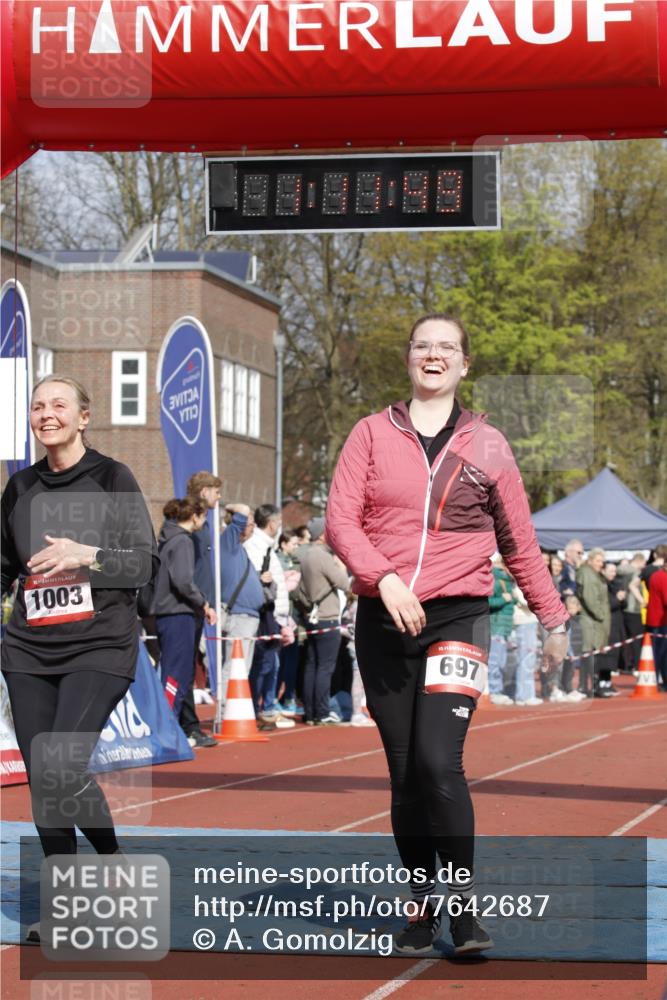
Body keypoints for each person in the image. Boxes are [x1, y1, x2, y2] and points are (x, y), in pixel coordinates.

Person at [326, 313, 569, 956]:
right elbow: (340, 523)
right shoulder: (371, 433)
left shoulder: (489, 445)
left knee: (439, 762)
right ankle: (420, 907)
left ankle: (462, 910)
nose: (433, 356)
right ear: (408, 359)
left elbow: (519, 541)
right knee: (405, 774)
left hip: (458, 617)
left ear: (464, 365)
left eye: (447, 348)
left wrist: (553, 619)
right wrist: (383, 580)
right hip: (384, 617)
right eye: (422, 347)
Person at [1, 376, 158, 909]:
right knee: (44, 778)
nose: (47, 414)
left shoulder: (114, 477)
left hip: (99, 645)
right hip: (27, 648)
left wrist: (85, 554)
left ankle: (110, 860)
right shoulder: (19, 487)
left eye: (59, 405)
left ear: (84, 417)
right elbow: (3, 568)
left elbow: (143, 563)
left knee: (60, 766)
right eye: (38, 405)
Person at [153, 498, 217, 727]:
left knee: (174, 673)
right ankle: (167, 728)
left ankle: (169, 725)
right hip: (177, 613)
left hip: (169, 612)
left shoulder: (169, 538)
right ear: (194, 516)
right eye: (204, 516)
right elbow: (182, 581)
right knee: (175, 675)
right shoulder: (182, 541)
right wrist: (203, 603)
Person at [177, 471, 221, 748]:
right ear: (204, 491)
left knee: (187, 666)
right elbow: (184, 573)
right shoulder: (191, 528)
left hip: (196, 605)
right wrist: (201, 601)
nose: (219, 497)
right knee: (181, 667)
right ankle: (187, 725)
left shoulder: (204, 527)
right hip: (187, 606)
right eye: (216, 491)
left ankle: (187, 724)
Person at [244, 504, 295, 728]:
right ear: (272, 523)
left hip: (274, 613)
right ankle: (258, 709)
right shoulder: (256, 547)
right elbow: (258, 579)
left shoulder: (268, 548)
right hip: (265, 612)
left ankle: (265, 707)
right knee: (263, 665)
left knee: (271, 665)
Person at [297, 517, 349, 725]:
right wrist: (341, 564)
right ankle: (322, 711)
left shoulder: (306, 555)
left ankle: (310, 712)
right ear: (321, 535)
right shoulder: (323, 557)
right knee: (325, 667)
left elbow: (300, 591)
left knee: (311, 665)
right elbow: (344, 582)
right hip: (327, 616)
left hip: (312, 616)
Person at [218, 503, 264, 714]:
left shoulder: (239, 550)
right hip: (239, 615)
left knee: (242, 666)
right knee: (235, 666)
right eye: (251, 523)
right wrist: (230, 507)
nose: (253, 526)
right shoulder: (229, 542)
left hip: (248, 616)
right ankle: (225, 708)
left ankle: (233, 709)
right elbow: (243, 510)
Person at [576, 548, 611, 698]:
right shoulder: (587, 573)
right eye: (598, 560)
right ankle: (586, 686)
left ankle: (591, 685)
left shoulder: (594, 574)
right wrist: (600, 614)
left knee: (593, 654)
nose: (600, 564)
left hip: (596, 621)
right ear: (590, 560)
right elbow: (589, 597)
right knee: (588, 654)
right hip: (591, 620)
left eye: (602, 561)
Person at [487, 557, 516, 706]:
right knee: (495, 661)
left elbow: (510, 601)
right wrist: (504, 600)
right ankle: (494, 691)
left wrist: (513, 599)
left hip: (504, 628)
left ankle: (497, 690)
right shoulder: (496, 579)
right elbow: (487, 602)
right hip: (496, 627)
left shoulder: (507, 582)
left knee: (502, 661)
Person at [598, 562, 626, 695]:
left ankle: (607, 682)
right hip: (606, 625)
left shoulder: (615, 585)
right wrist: (617, 599)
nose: (613, 574)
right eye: (610, 571)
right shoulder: (601, 585)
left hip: (616, 624)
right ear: (603, 571)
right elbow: (604, 605)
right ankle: (600, 683)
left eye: (615, 571)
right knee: (604, 655)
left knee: (613, 655)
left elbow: (622, 604)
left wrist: (621, 599)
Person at [646, 546, 667, 690]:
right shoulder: (663, 577)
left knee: (657, 651)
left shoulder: (655, 575)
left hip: (654, 618)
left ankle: (658, 679)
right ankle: (661, 681)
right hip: (661, 620)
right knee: (661, 653)